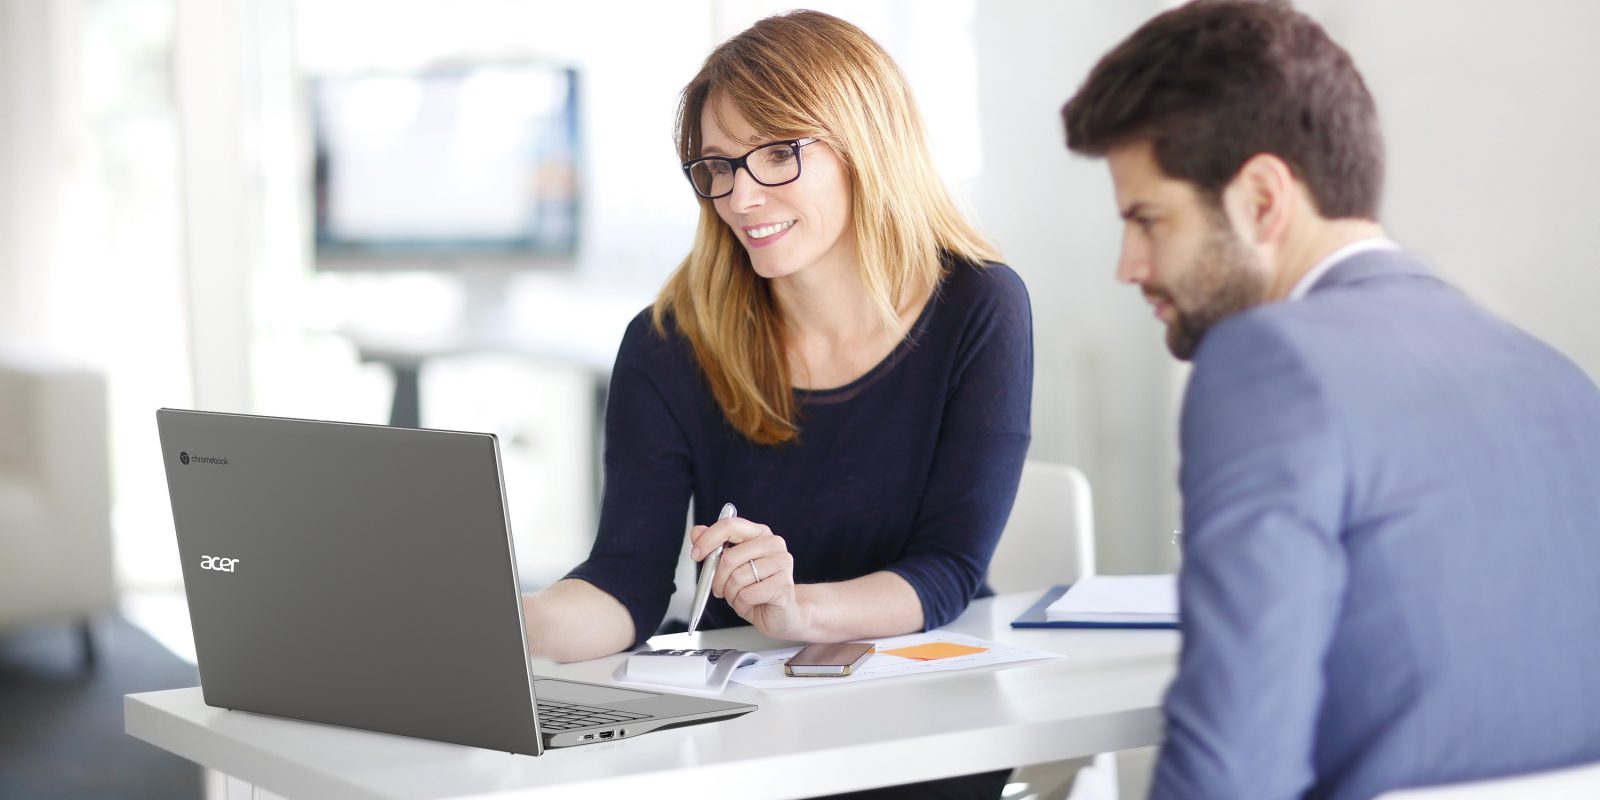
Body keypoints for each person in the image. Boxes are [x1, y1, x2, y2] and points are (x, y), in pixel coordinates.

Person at [1059, 1, 1600, 798]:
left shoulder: (1267, 361)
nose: (1128, 265)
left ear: (1262, 200)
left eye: (1149, 219)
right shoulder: (1559, 378)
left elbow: (1231, 775)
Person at [523, 10, 1031, 797]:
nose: (741, 195)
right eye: (719, 166)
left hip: (922, 708)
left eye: (777, 154)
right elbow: (626, 581)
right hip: (745, 714)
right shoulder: (668, 342)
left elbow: (947, 570)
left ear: (864, 142)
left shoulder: (978, 305)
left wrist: (800, 611)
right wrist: (509, 623)